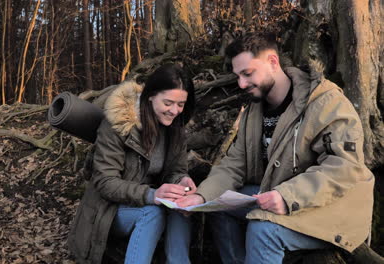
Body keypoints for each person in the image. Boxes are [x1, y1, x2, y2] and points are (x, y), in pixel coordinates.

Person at [176, 33, 375, 263]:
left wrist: (286, 195)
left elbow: (344, 166)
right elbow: (233, 166)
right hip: (279, 195)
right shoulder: (254, 111)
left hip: (331, 207)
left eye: (247, 73)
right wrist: (202, 196)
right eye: (237, 76)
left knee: (263, 231)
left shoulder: (324, 100)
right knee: (218, 207)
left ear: (273, 62)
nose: (241, 84)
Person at [68, 64, 196, 264]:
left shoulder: (176, 128)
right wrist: (151, 195)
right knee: (152, 213)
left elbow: (176, 170)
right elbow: (105, 182)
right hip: (108, 211)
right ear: (151, 95)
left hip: (147, 201)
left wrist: (182, 181)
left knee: (183, 208)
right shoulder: (118, 124)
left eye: (181, 105)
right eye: (169, 103)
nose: (174, 111)